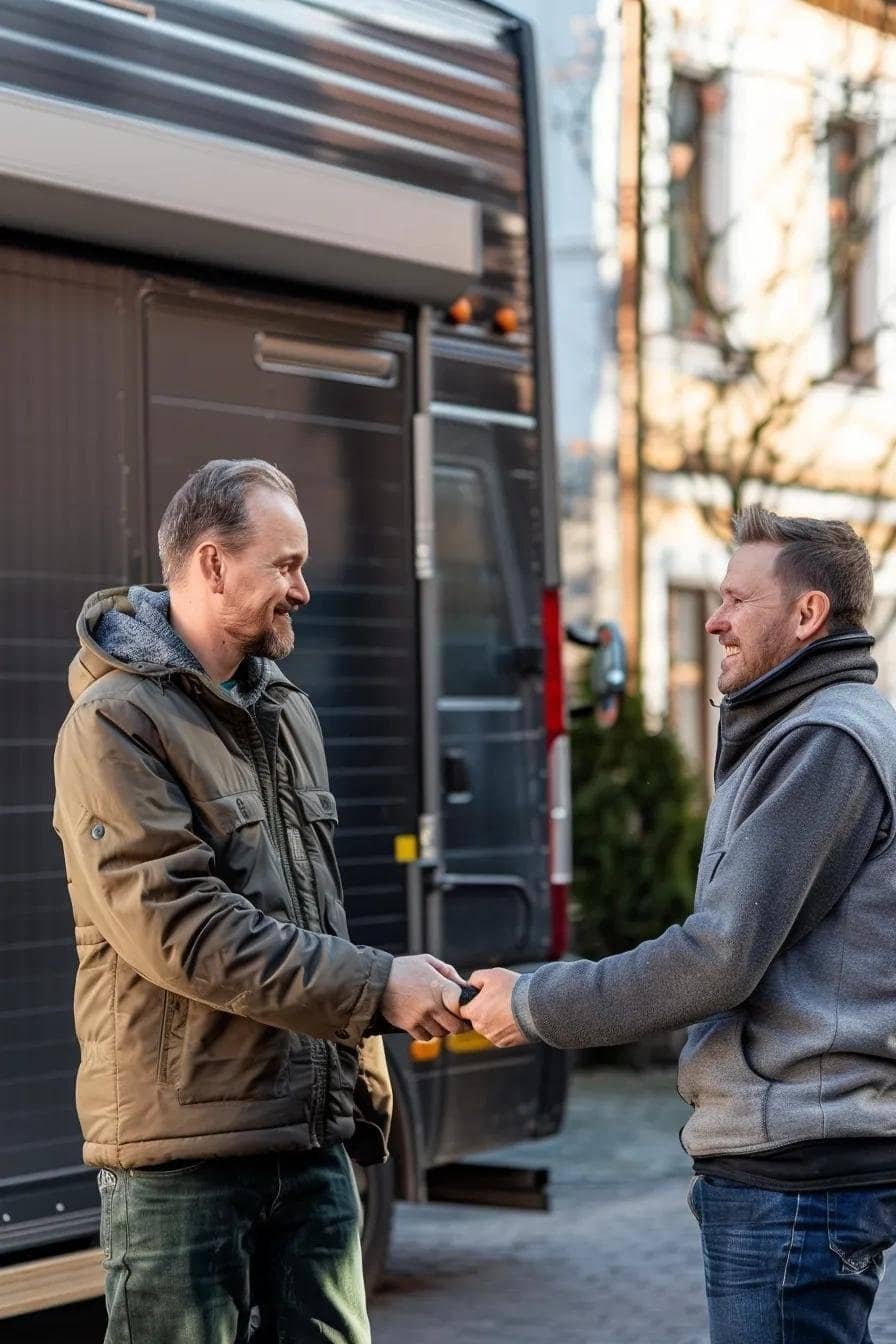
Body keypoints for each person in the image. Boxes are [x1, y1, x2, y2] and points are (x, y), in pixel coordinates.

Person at [458, 506, 896, 1344]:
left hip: (796, 1168)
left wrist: (535, 1003)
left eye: (737, 598)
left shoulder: (824, 742)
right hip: (798, 1159)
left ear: (808, 615)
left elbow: (717, 957)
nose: (715, 618)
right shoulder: (811, 730)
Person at [53, 458, 465, 1344]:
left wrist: (359, 1085)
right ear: (211, 562)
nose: (304, 589)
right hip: (183, 1161)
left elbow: (314, 913)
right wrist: (377, 988)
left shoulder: (286, 711)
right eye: (285, 565)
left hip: (310, 1138)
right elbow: (183, 930)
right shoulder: (115, 724)